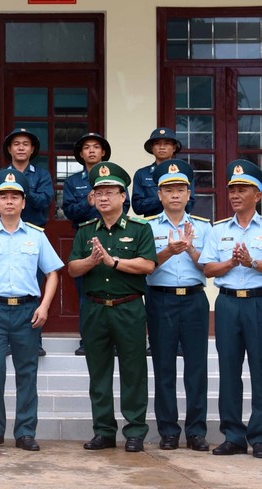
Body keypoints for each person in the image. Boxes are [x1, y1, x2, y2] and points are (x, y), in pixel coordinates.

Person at [0, 169, 63, 451]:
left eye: (15, 197)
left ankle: (25, 432)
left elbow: (54, 272)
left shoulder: (36, 236)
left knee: (27, 372)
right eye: (4, 197)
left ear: (23, 202)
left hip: (27, 312)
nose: (9, 202)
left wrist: (44, 306)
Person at [67, 162, 156, 453]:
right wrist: (93, 261)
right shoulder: (85, 231)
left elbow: (147, 265)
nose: (103, 197)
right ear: (92, 198)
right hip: (95, 309)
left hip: (128, 308)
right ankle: (104, 431)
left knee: (133, 371)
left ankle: (134, 432)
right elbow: (72, 269)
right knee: (99, 373)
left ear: (123, 196)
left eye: (110, 192)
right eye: (98, 193)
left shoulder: (140, 229)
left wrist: (113, 262)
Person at [145, 159, 211, 451]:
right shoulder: (146, 227)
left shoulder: (204, 227)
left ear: (188, 194)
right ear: (159, 195)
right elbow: (146, 266)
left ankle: (196, 431)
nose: (175, 194)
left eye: (180, 189)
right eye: (168, 189)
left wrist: (192, 248)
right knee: (164, 368)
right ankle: (168, 430)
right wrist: (168, 251)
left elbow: (209, 268)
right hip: (160, 300)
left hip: (195, 300)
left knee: (197, 368)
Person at [199, 160, 262, 459]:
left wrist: (252, 262)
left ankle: (259, 436)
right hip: (226, 303)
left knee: (260, 371)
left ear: (258, 195)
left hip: (259, 302)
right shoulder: (218, 229)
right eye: (232, 190)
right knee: (228, 371)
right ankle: (233, 436)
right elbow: (209, 268)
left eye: (242, 189)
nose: (235, 195)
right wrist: (232, 263)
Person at [0, 128, 54, 356]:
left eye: (25, 144)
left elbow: (45, 199)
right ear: (9, 149)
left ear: (32, 149)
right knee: (5, 285)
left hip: (31, 235)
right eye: (16, 144)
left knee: (31, 288)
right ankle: (5, 340)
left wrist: (21, 189)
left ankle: (34, 340)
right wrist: (18, 192)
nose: (21, 148)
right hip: (4, 234)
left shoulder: (42, 174)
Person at [62, 133, 128, 355]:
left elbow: (125, 208)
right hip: (86, 237)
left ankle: (118, 339)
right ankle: (87, 339)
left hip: (118, 236)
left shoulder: (116, 177)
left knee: (117, 287)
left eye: (96, 147)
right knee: (86, 290)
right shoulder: (72, 182)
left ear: (103, 152)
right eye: (87, 147)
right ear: (81, 154)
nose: (91, 151)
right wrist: (87, 203)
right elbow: (68, 211)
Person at [132, 127, 195, 217]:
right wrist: (164, 198)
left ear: (174, 148)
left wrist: (162, 199)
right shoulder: (142, 174)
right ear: (152, 148)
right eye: (157, 144)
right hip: (150, 226)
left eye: (167, 144)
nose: (162, 147)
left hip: (178, 224)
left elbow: (189, 205)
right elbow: (137, 207)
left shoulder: (185, 173)